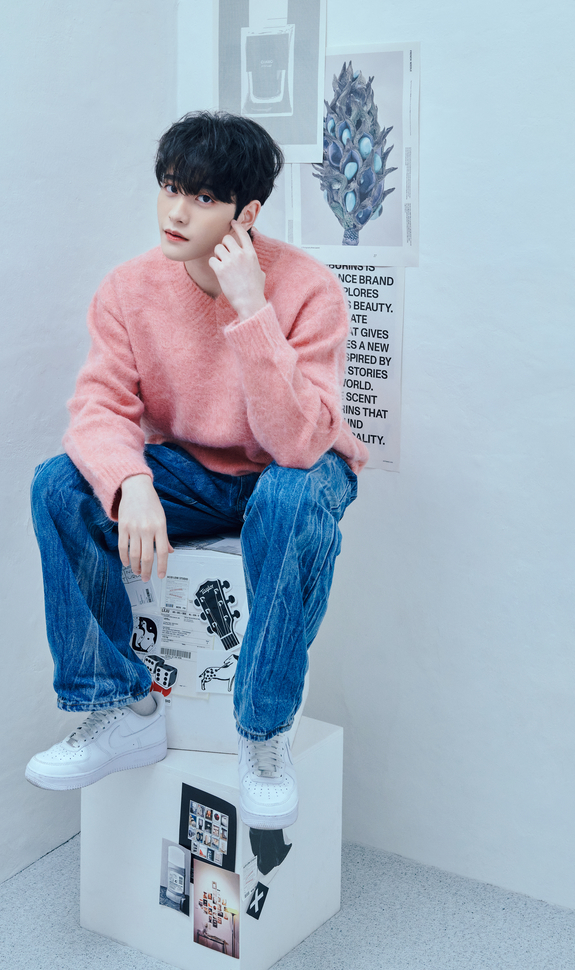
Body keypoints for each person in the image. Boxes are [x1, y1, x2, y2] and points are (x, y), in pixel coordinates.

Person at [25, 111, 368, 828]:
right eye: (171, 188)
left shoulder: (309, 289)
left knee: (289, 496)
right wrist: (131, 482)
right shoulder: (129, 289)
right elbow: (99, 406)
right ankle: (121, 708)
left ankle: (263, 733)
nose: (176, 212)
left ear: (248, 214)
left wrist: (251, 310)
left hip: (299, 467)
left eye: (204, 198)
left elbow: (297, 443)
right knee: (59, 484)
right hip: (192, 473)